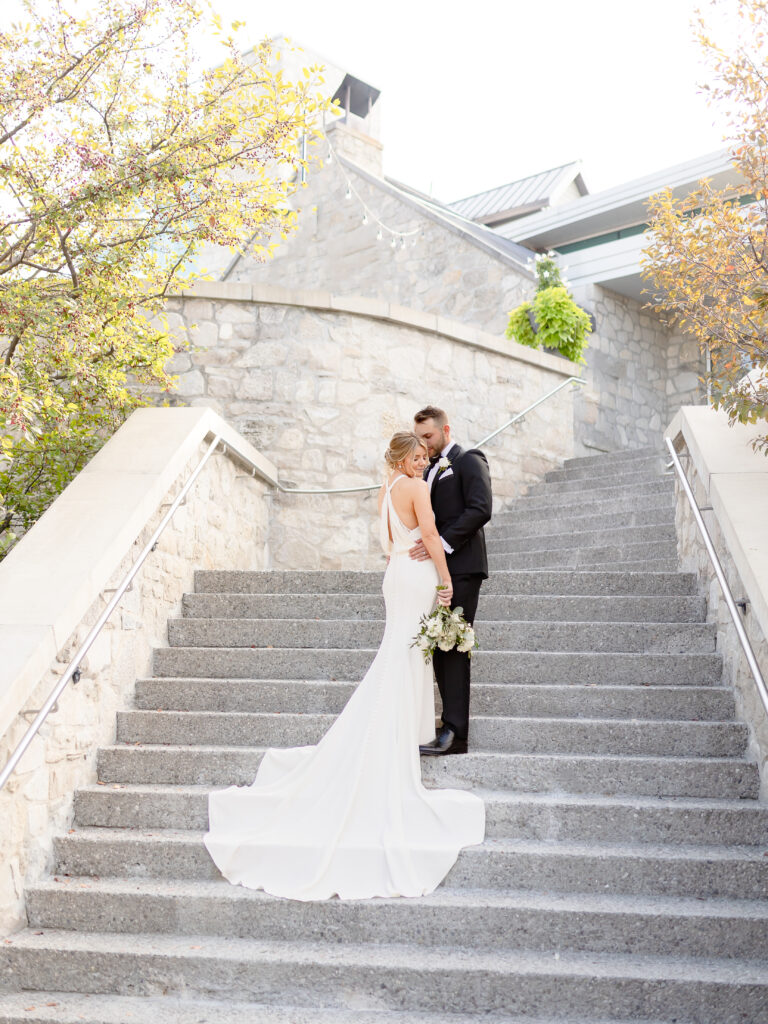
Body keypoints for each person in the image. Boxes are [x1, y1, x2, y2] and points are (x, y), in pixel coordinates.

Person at [203, 431, 485, 901]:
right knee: (404, 656)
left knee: (400, 654)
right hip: (416, 576)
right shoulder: (415, 488)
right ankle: (392, 733)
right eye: (415, 457)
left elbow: (389, 543)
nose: (421, 464)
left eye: (424, 457)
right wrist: (444, 580)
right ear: (400, 458)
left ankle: (401, 729)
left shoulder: (385, 492)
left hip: (394, 574)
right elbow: (432, 536)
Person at [411, 406, 493, 756]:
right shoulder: (427, 469)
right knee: (438, 646)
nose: (424, 444)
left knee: (454, 646)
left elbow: (480, 508)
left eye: (428, 436)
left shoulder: (468, 460)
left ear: (445, 428)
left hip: (461, 567)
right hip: (435, 572)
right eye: (419, 438)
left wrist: (440, 546)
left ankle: (456, 733)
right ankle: (447, 724)